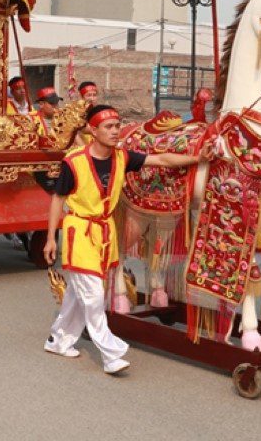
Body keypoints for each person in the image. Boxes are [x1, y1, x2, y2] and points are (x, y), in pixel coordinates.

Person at [42, 104, 213, 375]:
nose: (114, 131)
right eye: (108, 127)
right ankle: (112, 354)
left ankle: (58, 340)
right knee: (95, 296)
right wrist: (51, 238)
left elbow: (162, 160)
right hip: (81, 231)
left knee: (78, 294)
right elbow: (57, 200)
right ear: (93, 130)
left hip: (104, 232)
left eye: (117, 125)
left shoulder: (122, 157)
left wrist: (197, 159)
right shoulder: (73, 162)